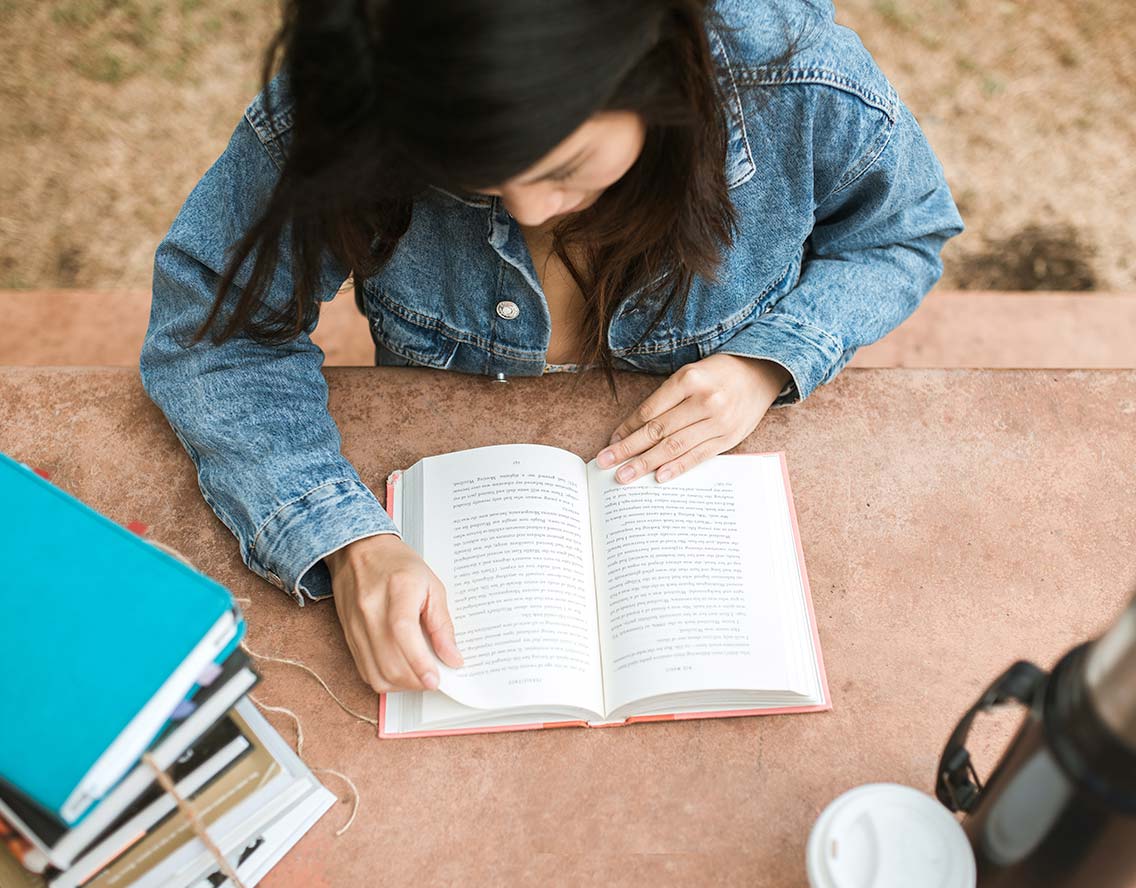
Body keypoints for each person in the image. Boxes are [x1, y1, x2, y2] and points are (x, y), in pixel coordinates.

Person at [140, 0, 963, 695]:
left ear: (657, 73)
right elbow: (214, 334)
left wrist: (769, 359)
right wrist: (346, 540)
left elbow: (900, 233)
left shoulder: (794, 78)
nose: (532, 212)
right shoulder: (361, 87)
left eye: (566, 164)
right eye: (476, 177)